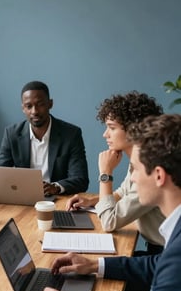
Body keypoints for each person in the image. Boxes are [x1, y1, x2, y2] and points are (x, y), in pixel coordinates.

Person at [37, 114, 181, 291]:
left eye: (136, 169)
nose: (133, 177)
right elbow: (157, 264)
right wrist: (95, 265)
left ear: (160, 176)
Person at [66, 91, 165, 256]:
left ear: (134, 130)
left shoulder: (150, 168)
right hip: (157, 249)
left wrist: (105, 173)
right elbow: (124, 192)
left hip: (166, 256)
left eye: (112, 128)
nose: (105, 134)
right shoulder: (140, 159)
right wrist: (92, 200)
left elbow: (109, 222)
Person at [0, 81, 89, 196]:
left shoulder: (71, 134)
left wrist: (56, 187)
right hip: (23, 197)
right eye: (29, 106)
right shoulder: (12, 134)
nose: (34, 111)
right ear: (23, 108)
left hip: (57, 199)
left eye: (40, 104)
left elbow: (81, 179)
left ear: (50, 104)